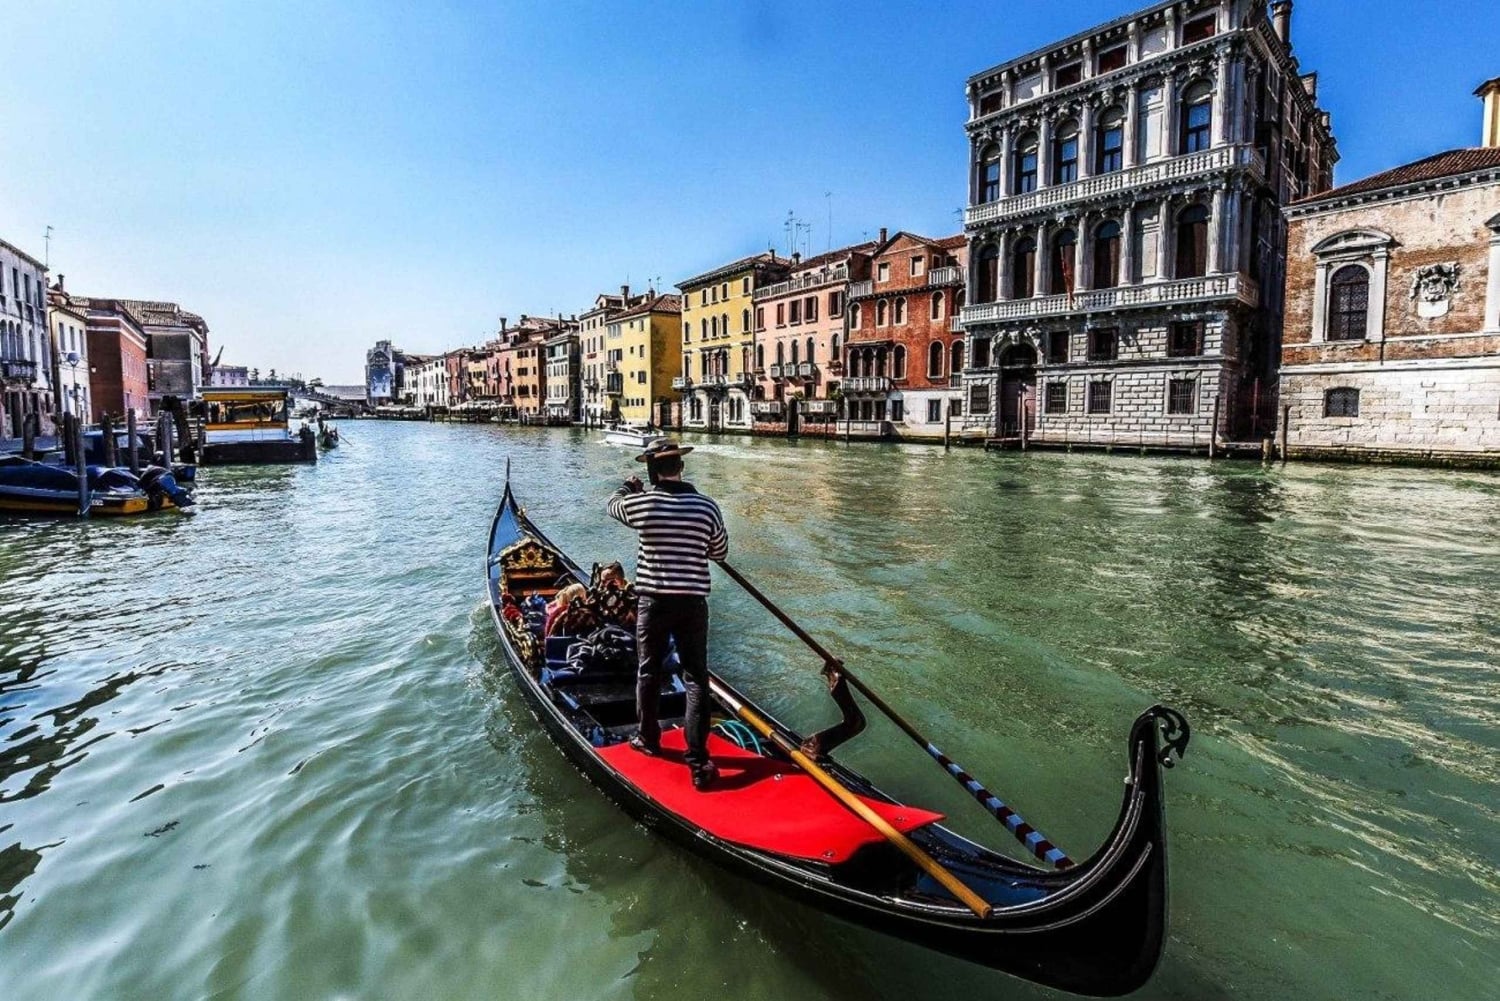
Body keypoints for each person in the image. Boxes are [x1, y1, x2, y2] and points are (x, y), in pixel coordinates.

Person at [607, 439, 727, 790]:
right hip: (692, 602)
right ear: (681, 468)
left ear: (651, 471)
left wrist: (628, 488)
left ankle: (648, 739)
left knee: (649, 671)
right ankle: (699, 761)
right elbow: (719, 551)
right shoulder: (707, 507)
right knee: (695, 678)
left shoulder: (642, 504)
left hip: (654, 601)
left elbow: (613, 505)